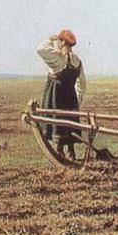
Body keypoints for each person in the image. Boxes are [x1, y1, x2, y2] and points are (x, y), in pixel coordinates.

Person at [37, 30, 87, 160]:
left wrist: (50, 39)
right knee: (70, 122)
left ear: (63, 42)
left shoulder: (57, 59)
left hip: (56, 97)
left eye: (59, 41)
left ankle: (59, 150)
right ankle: (71, 151)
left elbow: (40, 49)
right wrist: (78, 99)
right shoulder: (77, 60)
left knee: (57, 123)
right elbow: (82, 84)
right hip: (71, 98)